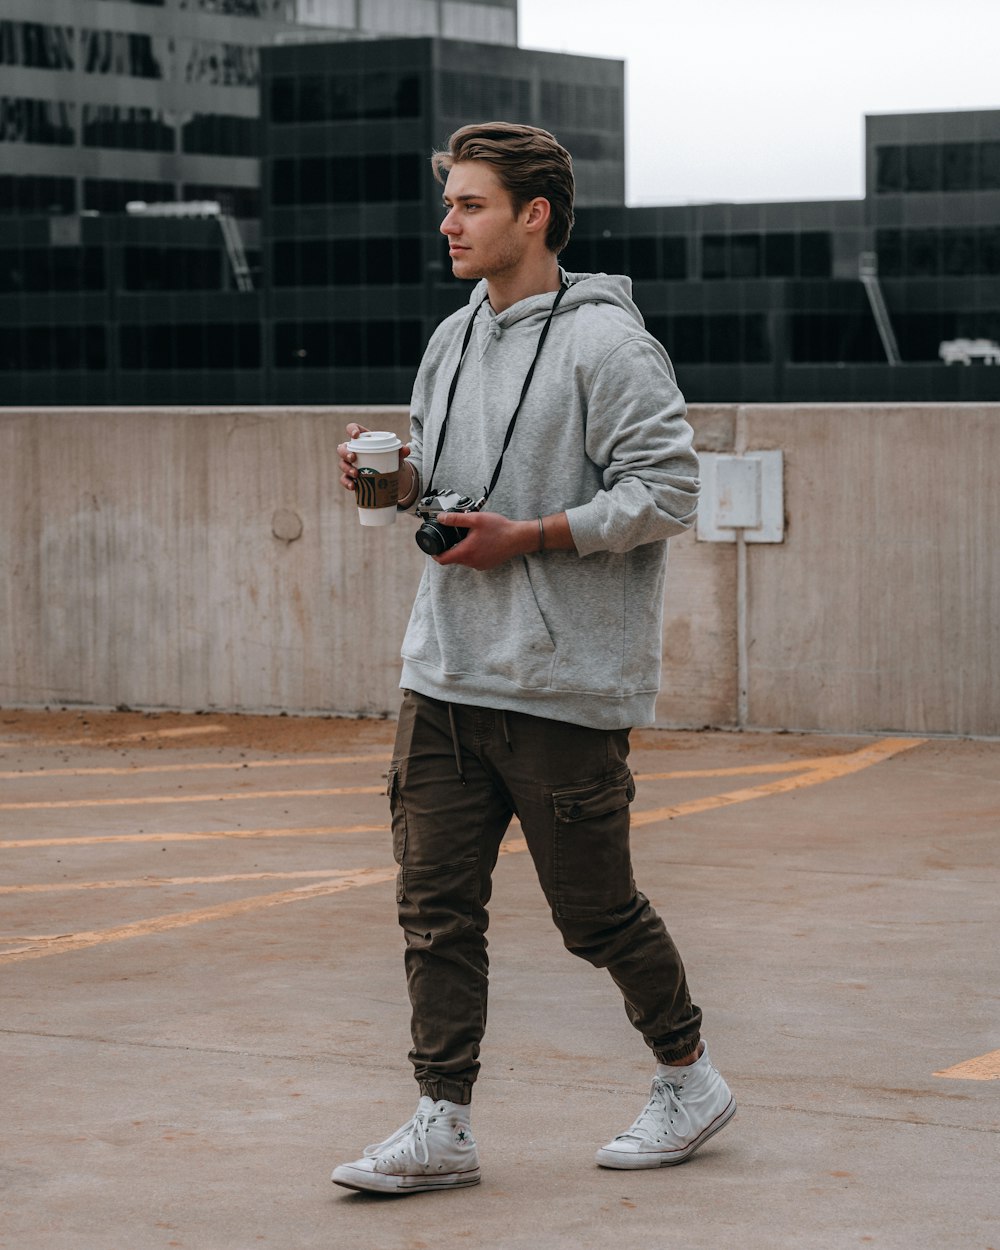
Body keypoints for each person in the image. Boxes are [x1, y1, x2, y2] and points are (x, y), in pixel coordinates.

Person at [331, 121, 734, 1195]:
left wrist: (533, 534)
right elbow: (447, 480)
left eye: (469, 204)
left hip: (561, 682)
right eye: (450, 202)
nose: (449, 222)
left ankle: (689, 1078)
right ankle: (441, 1121)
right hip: (444, 670)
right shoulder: (452, 337)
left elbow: (670, 491)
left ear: (533, 215)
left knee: (596, 912)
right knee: (434, 911)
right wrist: (398, 479)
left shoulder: (609, 345)